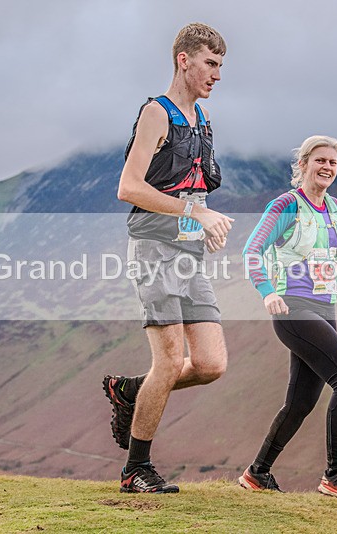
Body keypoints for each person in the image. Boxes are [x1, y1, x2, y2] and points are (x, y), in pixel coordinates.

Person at [102, 22, 233, 494]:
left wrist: (203, 223)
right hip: (154, 249)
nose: (217, 74)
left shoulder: (203, 120)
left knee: (210, 364)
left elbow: (193, 187)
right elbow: (129, 187)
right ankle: (136, 469)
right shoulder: (156, 113)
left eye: (220, 66)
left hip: (188, 253)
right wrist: (196, 213)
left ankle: (130, 390)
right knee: (171, 359)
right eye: (210, 63)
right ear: (184, 60)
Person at [238, 135, 337, 498]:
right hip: (294, 308)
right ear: (303, 165)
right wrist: (267, 292)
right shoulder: (287, 205)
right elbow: (252, 250)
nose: (327, 167)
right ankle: (335, 475)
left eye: (333, 162)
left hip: (326, 308)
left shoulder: (334, 207)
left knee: (300, 403)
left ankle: (257, 473)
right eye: (320, 160)